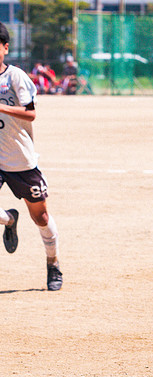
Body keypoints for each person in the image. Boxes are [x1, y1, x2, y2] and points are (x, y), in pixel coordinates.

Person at [0, 23, 63, 290]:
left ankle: (53, 264)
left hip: (20, 160)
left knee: (41, 218)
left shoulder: (15, 77)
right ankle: (9, 219)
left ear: (5, 48)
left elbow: (31, 113)